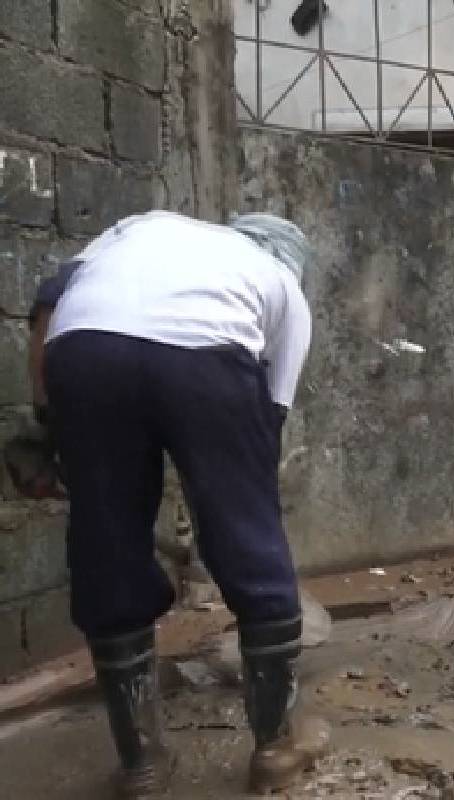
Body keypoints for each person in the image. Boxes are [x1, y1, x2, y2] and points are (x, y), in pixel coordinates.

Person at [40, 211, 328, 796]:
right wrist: (229, 509)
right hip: (207, 355)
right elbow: (268, 421)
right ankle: (275, 747)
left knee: (106, 544)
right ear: (289, 260)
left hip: (82, 349)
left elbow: (48, 305)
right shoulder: (281, 284)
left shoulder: (139, 227)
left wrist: (49, 426)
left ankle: (141, 764)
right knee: (253, 537)